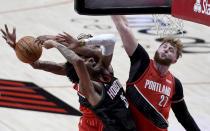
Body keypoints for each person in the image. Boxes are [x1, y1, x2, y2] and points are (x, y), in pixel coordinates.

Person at [0, 25, 105, 131]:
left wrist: (52, 40)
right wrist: (18, 48)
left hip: (110, 116)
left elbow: (82, 57)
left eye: (91, 42)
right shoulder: (73, 68)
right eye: (86, 42)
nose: (94, 45)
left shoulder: (104, 63)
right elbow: (37, 64)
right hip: (89, 121)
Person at [111, 15, 200, 131]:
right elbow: (124, 28)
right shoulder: (142, 62)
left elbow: (184, 117)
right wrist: (112, 6)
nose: (166, 49)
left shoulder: (175, 84)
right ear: (157, 50)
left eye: (171, 50)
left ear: (175, 60)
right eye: (164, 46)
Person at [41, 32, 136, 131]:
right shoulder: (84, 78)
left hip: (122, 122)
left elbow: (105, 43)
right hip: (93, 122)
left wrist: (58, 41)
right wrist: (54, 44)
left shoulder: (103, 66)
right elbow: (76, 62)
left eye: (92, 43)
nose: (92, 47)